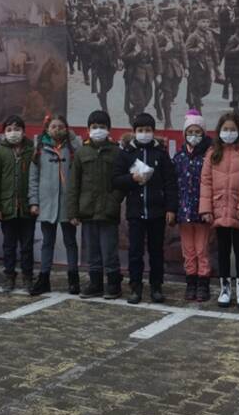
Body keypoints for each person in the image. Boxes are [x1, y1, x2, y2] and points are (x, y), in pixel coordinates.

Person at [113, 112, 178, 304]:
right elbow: (116, 179)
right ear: (134, 132)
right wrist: (131, 179)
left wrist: (171, 208)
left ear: (153, 131)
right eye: (140, 130)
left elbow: (170, 183)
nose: (144, 133)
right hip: (135, 211)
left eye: (147, 130)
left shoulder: (161, 153)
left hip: (157, 212)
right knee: (135, 252)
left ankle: (156, 287)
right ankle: (136, 287)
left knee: (157, 251)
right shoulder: (126, 153)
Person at [68, 110, 123, 299]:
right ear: (88, 129)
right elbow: (74, 184)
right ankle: (95, 284)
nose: (98, 130)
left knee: (109, 251)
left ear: (109, 129)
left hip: (108, 211)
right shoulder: (82, 152)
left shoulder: (116, 152)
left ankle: (114, 284)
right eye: (94, 127)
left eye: (102, 127)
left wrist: (114, 200)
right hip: (88, 211)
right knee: (93, 252)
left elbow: (122, 181)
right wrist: (73, 211)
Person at [199, 110, 239, 309]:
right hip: (218, 209)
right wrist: (206, 209)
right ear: (219, 131)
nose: (229, 132)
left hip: (238, 210)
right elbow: (205, 182)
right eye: (225, 129)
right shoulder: (212, 153)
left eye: (232, 129)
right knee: (222, 250)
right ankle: (224, 288)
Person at [29, 114, 82, 296]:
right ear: (47, 129)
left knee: (70, 242)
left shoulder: (72, 147)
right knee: (47, 242)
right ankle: (44, 279)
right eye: (53, 127)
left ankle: (73, 279)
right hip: (46, 203)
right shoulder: (40, 149)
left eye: (61, 126)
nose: (57, 130)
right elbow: (33, 177)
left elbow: (80, 161)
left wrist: (73, 137)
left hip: (68, 203)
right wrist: (34, 201)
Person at [0, 115, 37, 294]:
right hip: (7, 209)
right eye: (9, 129)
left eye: (17, 129)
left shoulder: (32, 150)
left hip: (27, 208)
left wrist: (35, 202)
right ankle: (9, 276)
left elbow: (36, 178)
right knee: (9, 246)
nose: (13, 133)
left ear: (24, 131)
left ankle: (28, 277)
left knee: (27, 245)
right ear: (3, 133)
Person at [174, 111, 213, 302]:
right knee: (188, 250)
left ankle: (203, 283)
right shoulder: (179, 157)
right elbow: (173, 184)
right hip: (184, 212)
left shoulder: (209, 155)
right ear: (184, 133)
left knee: (201, 249)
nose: (194, 135)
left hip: (202, 211)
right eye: (190, 131)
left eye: (198, 131)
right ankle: (191, 282)